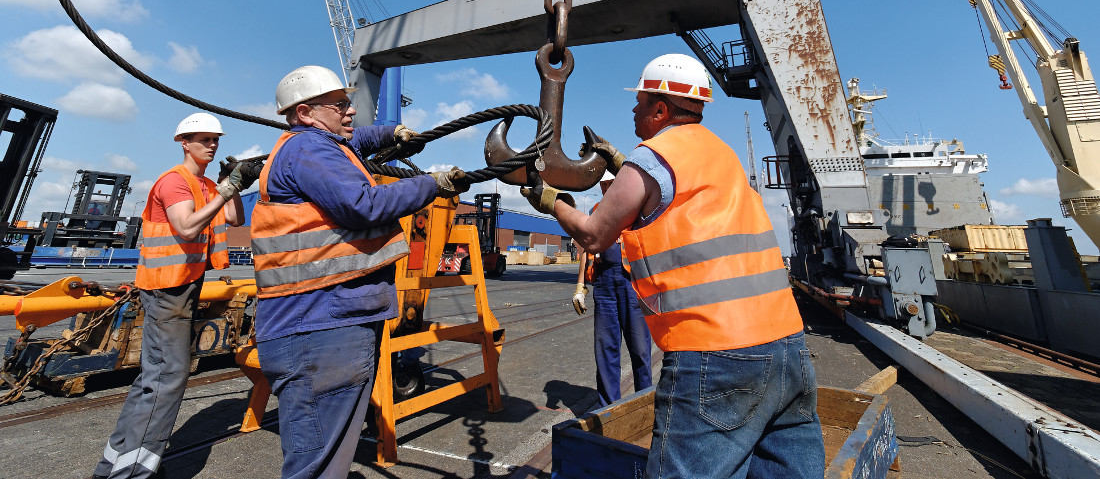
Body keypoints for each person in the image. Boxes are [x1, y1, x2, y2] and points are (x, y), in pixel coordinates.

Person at [523, 54, 825, 479]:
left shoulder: (650, 158)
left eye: (640, 101)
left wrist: (552, 201)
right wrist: (618, 161)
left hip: (716, 357)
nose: (633, 109)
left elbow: (593, 235)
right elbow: (673, 189)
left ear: (660, 110)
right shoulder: (721, 155)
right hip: (788, 350)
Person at [250, 65, 469, 479]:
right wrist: (430, 185)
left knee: (329, 456)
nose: (350, 111)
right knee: (318, 463)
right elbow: (362, 205)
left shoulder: (320, 144)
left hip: (324, 321)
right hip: (316, 327)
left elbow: (353, 142)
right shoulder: (308, 151)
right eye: (340, 105)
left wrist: (391, 134)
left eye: (350, 103)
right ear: (304, 113)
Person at [94, 112, 249, 479]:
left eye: (215, 139)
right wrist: (225, 189)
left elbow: (235, 218)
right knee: (169, 377)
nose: (212, 144)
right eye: (203, 138)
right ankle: (134, 473)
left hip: (183, 285)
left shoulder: (206, 185)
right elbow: (185, 225)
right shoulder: (175, 183)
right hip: (167, 288)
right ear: (184, 142)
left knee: (155, 376)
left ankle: (114, 464)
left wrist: (233, 184)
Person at [573, 171, 652, 408]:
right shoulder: (596, 211)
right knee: (606, 349)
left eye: (610, 183)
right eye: (604, 184)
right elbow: (586, 249)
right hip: (605, 284)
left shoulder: (636, 208)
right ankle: (609, 407)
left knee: (640, 349)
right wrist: (580, 286)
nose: (607, 188)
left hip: (631, 283)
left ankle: (645, 404)